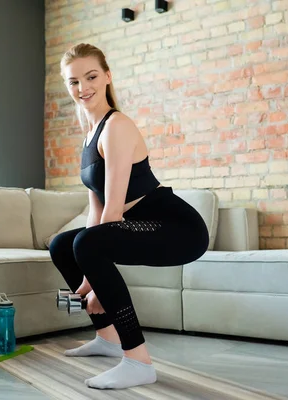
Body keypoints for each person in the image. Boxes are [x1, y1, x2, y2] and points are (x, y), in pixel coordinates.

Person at [49, 43, 210, 390]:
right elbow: (95, 208)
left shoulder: (116, 126)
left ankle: (138, 362)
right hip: (138, 224)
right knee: (62, 244)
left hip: (178, 228)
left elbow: (114, 208)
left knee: (87, 244)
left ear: (107, 76)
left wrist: (92, 284)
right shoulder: (90, 135)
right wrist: (85, 277)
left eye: (90, 77)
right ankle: (107, 338)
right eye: (73, 81)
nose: (83, 88)